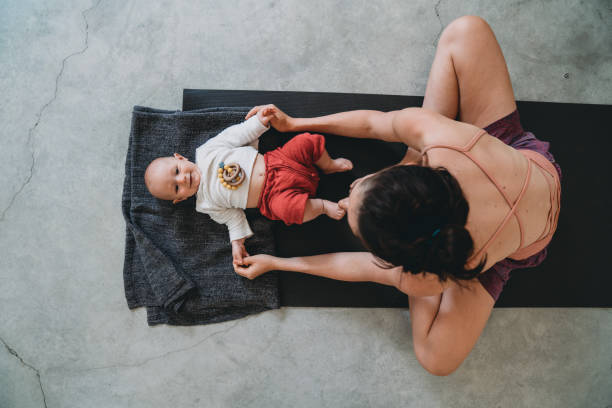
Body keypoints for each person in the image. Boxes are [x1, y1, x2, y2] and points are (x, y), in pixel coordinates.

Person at [235, 16, 562, 376]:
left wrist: (280, 263)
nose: (351, 186)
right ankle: (409, 158)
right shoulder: (440, 137)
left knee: (436, 359)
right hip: (519, 160)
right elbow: (375, 123)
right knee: (465, 30)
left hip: (520, 240)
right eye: (362, 185)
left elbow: (358, 269)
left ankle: (408, 167)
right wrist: (297, 124)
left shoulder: (429, 277)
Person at [144, 107, 353, 267]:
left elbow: (235, 135)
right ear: (180, 199)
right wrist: (237, 242)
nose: (182, 180)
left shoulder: (206, 152)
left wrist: (259, 122)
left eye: (177, 171)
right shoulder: (205, 204)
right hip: (272, 197)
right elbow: (232, 218)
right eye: (176, 188)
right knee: (290, 212)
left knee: (308, 142)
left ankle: (329, 165)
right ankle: (323, 206)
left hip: (278, 160)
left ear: (180, 158)